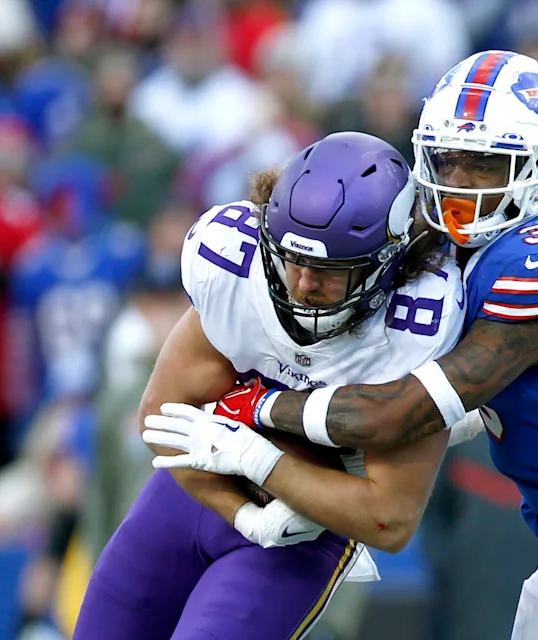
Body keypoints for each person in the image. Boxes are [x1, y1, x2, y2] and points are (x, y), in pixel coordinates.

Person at [146, 50, 538, 640]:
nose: (458, 184)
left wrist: (252, 422)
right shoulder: (440, 249)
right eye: (448, 160)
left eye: (485, 165)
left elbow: (399, 411)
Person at [75, 131, 471, 640]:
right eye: (293, 259)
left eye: (329, 270)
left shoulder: (415, 327)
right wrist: (243, 513)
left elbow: (389, 519)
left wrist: (259, 460)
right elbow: (160, 416)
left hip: (298, 537)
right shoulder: (235, 271)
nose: (303, 283)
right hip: (190, 498)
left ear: (385, 261)